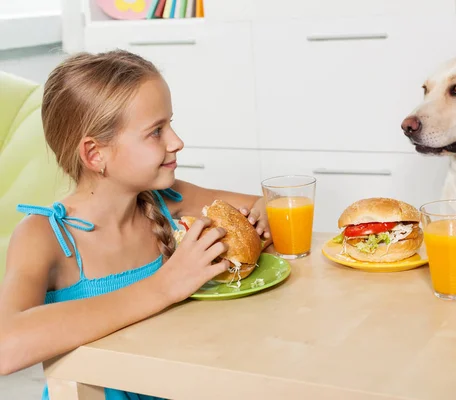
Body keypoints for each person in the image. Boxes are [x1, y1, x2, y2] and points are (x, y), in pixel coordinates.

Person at [0, 49, 271, 400]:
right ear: (95, 154)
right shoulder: (44, 235)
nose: (177, 141)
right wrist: (164, 287)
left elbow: (260, 204)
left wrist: (259, 220)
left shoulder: (166, 200)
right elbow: (6, 346)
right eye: (156, 131)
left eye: (170, 124)